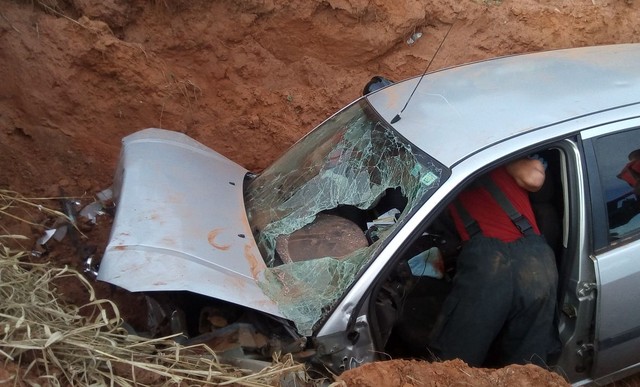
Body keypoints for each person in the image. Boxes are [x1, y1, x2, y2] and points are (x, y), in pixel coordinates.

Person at [428, 157, 559, 367]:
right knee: (528, 364)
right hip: (539, 264)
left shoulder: (497, 155)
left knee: (455, 363)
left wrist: (503, 159)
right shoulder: (458, 161)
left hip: (491, 269)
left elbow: (534, 178)